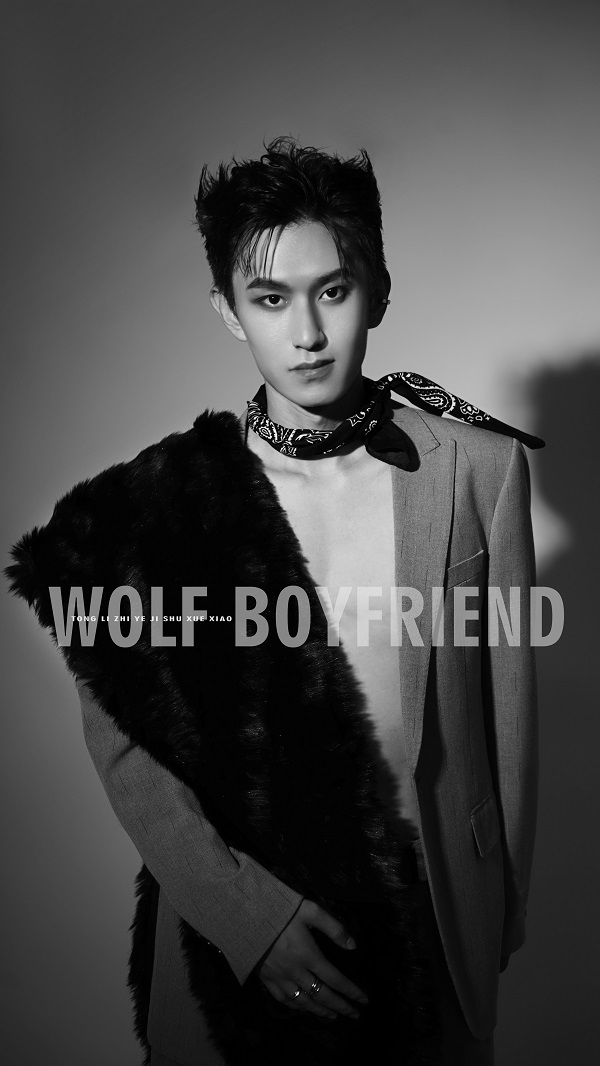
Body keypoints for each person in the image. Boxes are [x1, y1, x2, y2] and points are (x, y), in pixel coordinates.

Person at [6, 138, 540, 1065]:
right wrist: (247, 920)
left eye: (333, 291)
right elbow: (127, 749)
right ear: (227, 309)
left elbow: (512, 718)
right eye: (270, 299)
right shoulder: (159, 505)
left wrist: (498, 910)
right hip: (235, 917)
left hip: (434, 915)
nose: (308, 333)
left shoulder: (477, 471)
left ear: (378, 290)